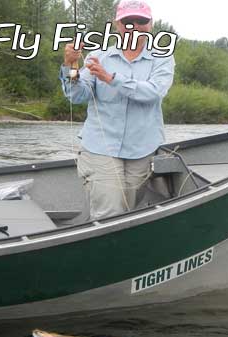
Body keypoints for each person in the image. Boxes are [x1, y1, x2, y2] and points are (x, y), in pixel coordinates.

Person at [60, 0, 175, 220]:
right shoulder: (98, 56)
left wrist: (110, 78)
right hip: (99, 147)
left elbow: (152, 92)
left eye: (141, 21)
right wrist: (72, 66)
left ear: (151, 24)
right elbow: (76, 94)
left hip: (141, 148)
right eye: (128, 21)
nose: (134, 26)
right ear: (117, 25)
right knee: (110, 212)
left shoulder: (162, 58)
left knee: (126, 211)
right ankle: (102, 252)